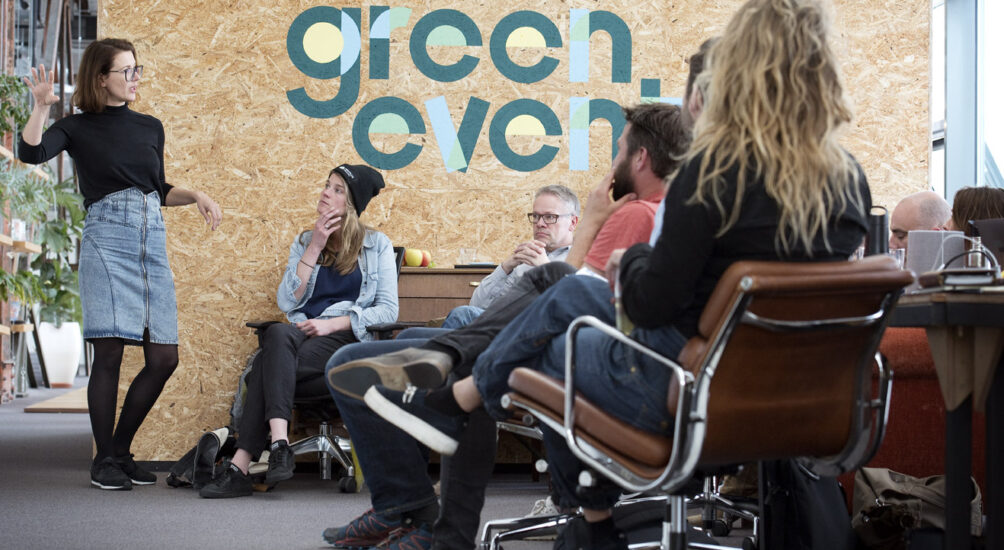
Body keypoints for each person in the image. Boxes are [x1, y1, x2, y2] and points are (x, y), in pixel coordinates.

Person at [363, 1, 872, 548]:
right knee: (568, 296)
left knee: (550, 346)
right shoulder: (848, 180)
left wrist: (632, 261)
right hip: (802, 399)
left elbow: (650, 306)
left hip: (691, 395)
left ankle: (585, 514)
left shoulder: (713, 174)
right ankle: (494, 433)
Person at [319, 102, 690, 550]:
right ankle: (411, 505)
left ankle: (431, 521)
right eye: (536, 216)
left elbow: (573, 297)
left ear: (641, 159)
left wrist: (592, 222)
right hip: (546, 338)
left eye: (619, 150)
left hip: (576, 353)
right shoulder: (666, 217)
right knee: (406, 343)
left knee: (360, 359)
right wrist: (513, 266)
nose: (613, 163)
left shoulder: (636, 214)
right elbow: (497, 301)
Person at [18, 39, 223, 491]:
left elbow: (156, 188)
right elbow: (31, 153)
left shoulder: (151, 127)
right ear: (100, 78)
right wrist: (41, 108)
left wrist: (195, 195)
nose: (135, 78)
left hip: (151, 243)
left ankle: (119, 451)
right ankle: (104, 462)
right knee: (109, 352)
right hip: (107, 241)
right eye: (126, 71)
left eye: (137, 69)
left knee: (164, 357)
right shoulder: (75, 128)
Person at [197, 164, 398, 499]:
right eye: (327, 185)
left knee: (264, 368)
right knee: (277, 333)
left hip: (345, 341)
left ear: (351, 205)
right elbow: (287, 299)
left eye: (337, 190)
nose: (325, 193)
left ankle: (240, 467)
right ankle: (279, 444)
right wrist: (315, 246)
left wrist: (333, 323)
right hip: (301, 337)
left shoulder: (376, 245)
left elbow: (388, 310)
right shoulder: (305, 241)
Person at [440, 185, 579, 328]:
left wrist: (546, 269)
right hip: (504, 327)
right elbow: (477, 305)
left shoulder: (581, 260)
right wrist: (505, 267)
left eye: (549, 217)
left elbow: (574, 309)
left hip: (537, 330)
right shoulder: (525, 259)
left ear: (573, 222)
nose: (539, 223)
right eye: (536, 216)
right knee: (451, 319)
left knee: (462, 315)